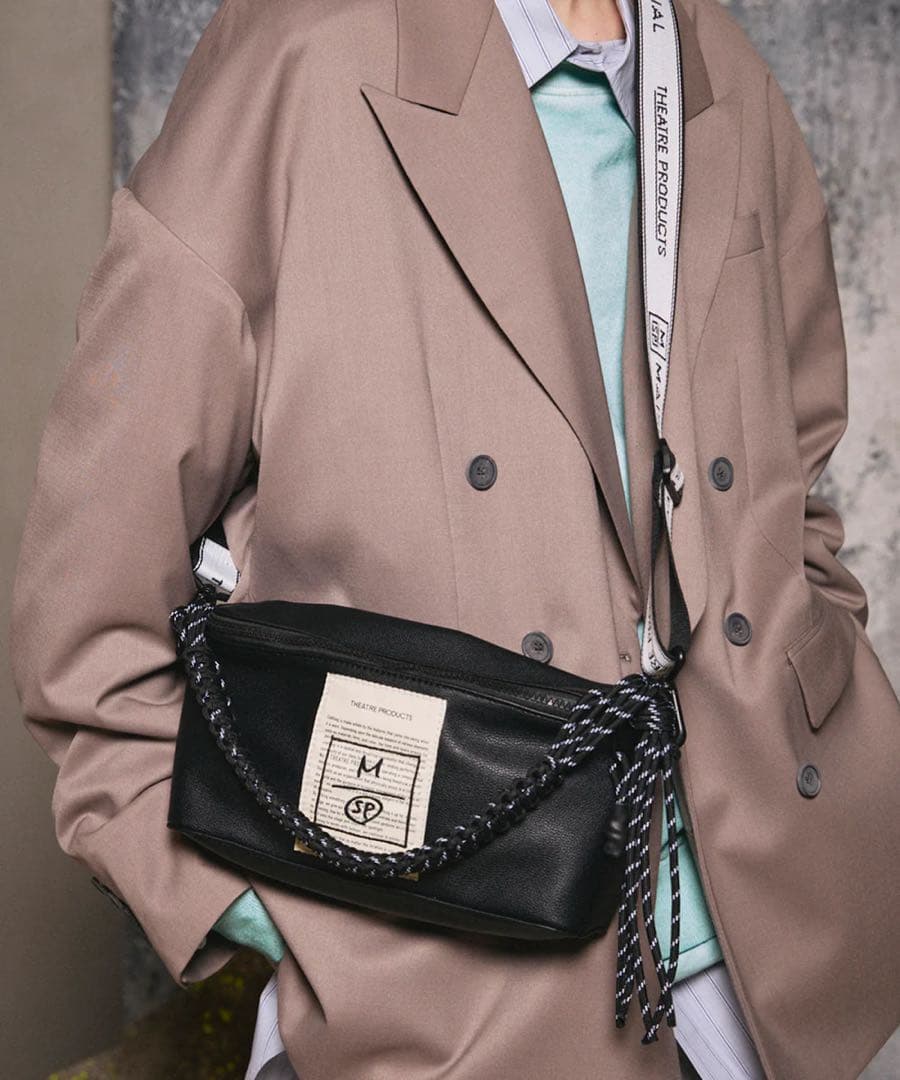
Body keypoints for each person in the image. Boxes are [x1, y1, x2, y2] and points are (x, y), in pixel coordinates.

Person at [9, 0, 899, 1077]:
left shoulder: (723, 71)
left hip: (771, 947)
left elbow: (791, 496)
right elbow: (89, 609)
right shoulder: (302, 55)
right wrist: (298, 922)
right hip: (441, 985)